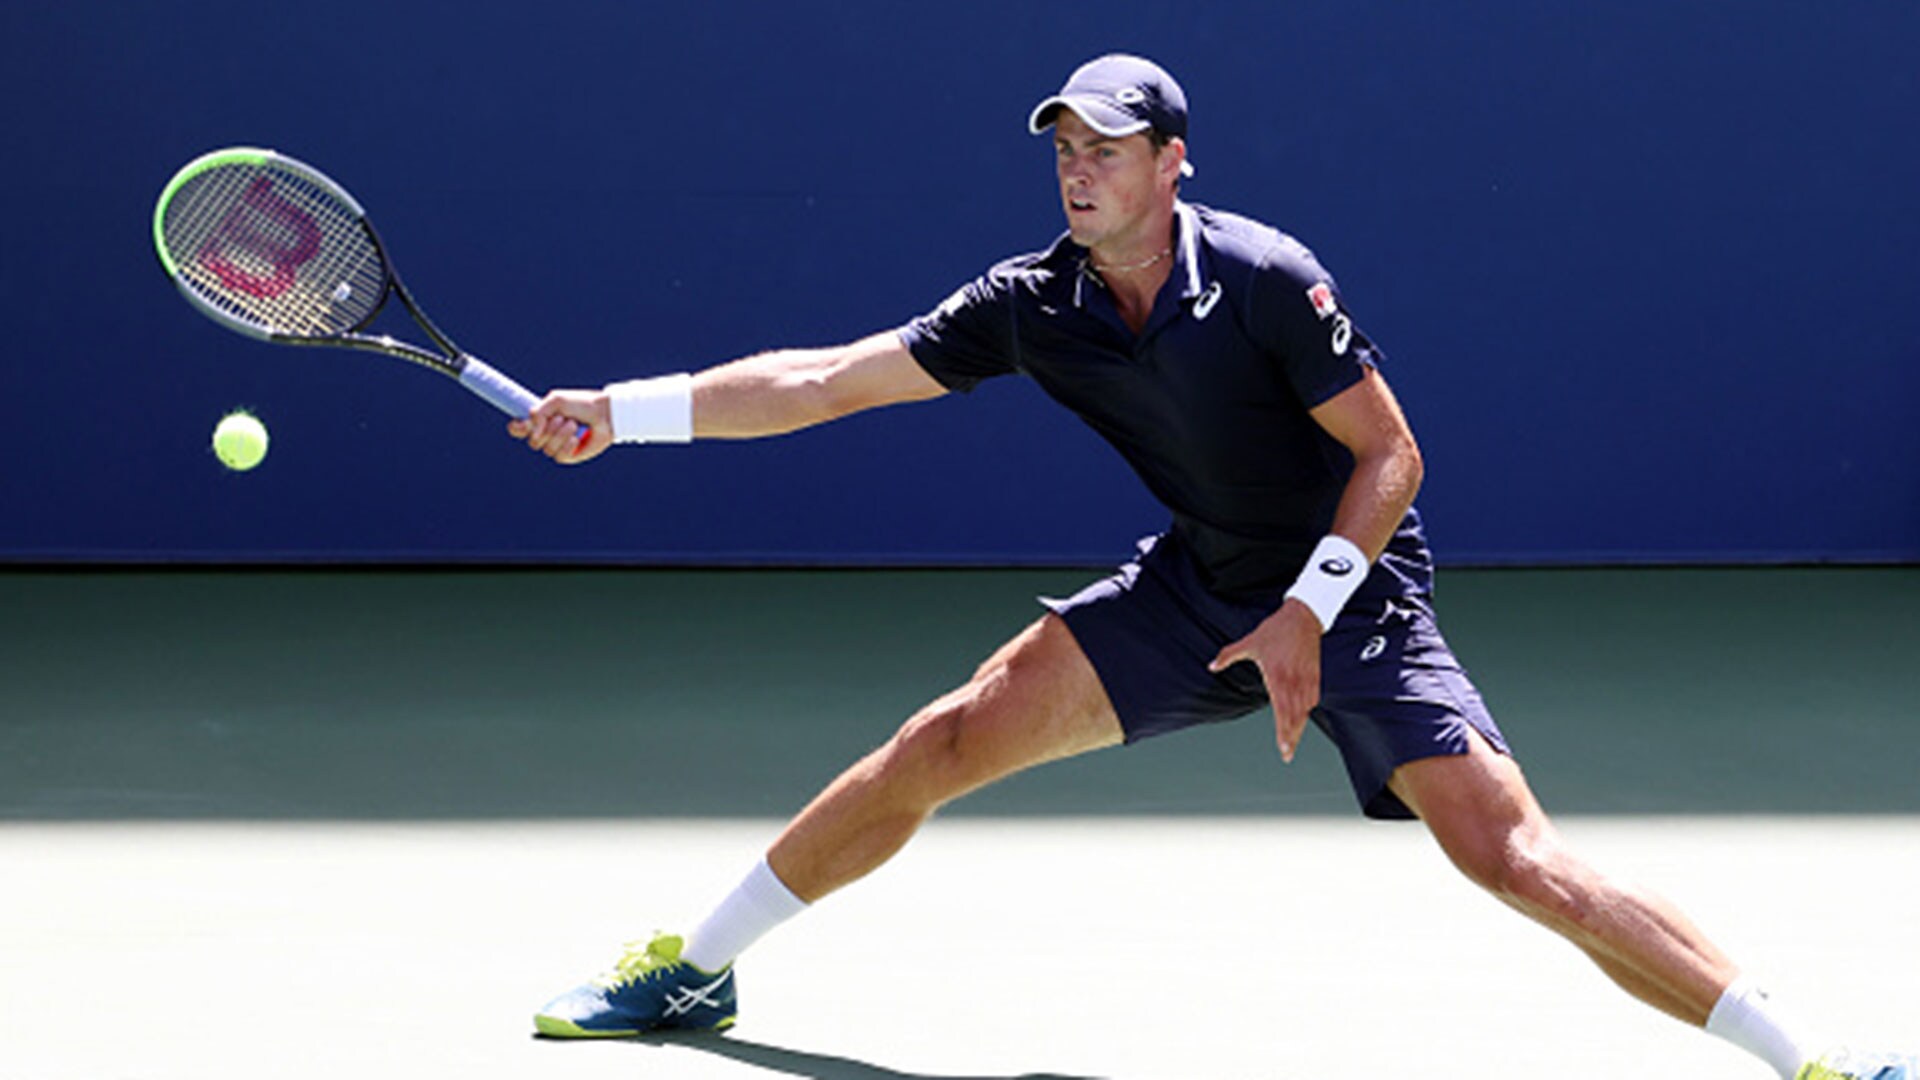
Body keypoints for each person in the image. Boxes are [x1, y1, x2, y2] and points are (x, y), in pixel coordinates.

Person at [509, 54, 1909, 1080]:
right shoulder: (1032, 302)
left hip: (1353, 597)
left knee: (1517, 861)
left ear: (1173, 161)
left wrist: (1307, 611)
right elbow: (823, 380)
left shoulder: (1263, 279)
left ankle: (1811, 1056)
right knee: (942, 740)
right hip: (1198, 588)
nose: (1079, 169)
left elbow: (1394, 457)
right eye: (1065, 147)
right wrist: (620, 413)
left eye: (1108, 148)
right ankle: (695, 972)